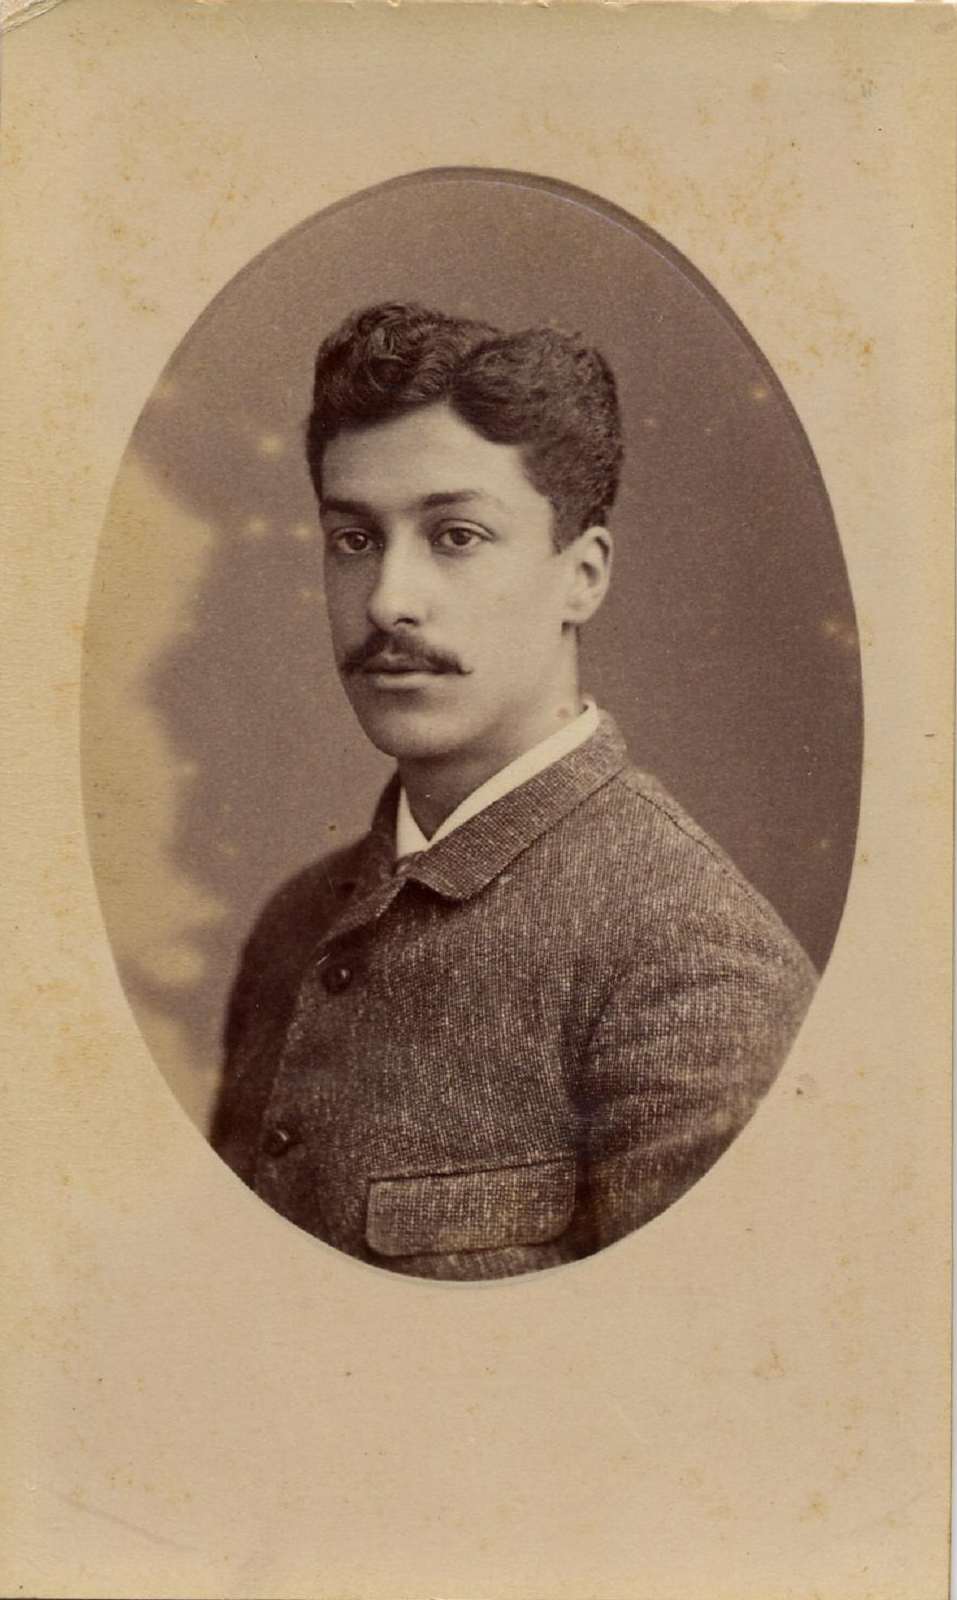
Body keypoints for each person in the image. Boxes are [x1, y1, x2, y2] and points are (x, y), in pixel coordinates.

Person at [210, 301, 817, 1280]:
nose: (388, 600)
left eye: (455, 535)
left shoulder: (693, 962)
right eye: (353, 539)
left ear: (583, 575)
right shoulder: (294, 927)